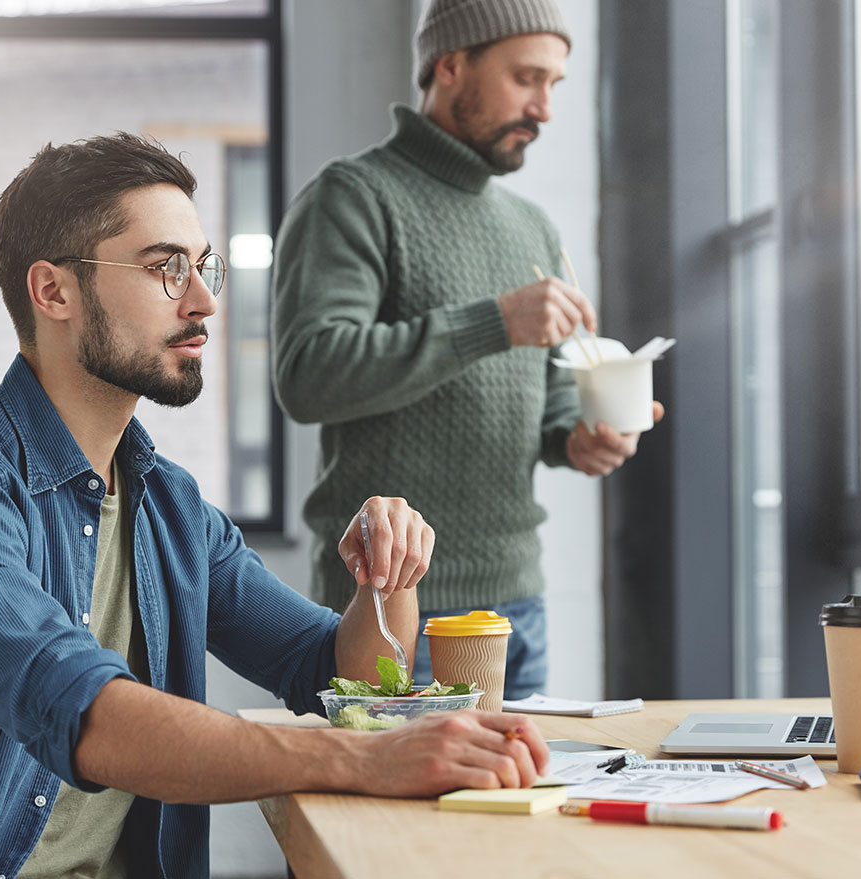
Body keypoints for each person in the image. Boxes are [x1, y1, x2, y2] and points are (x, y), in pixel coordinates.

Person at [0, 133, 548, 878]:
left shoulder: (169, 505)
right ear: (54, 292)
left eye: (204, 267)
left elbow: (336, 673)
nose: (203, 301)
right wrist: (363, 758)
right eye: (165, 268)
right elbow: (77, 709)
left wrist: (389, 573)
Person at [271, 0, 663, 699]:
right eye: (526, 78)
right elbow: (310, 374)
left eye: (553, 84)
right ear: (450, 66)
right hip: (391, 609)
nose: (544, 108)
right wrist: (495, 322)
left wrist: (577, 438)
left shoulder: (532, 226)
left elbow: (548, 396)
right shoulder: (353, 197)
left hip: (518, 611)